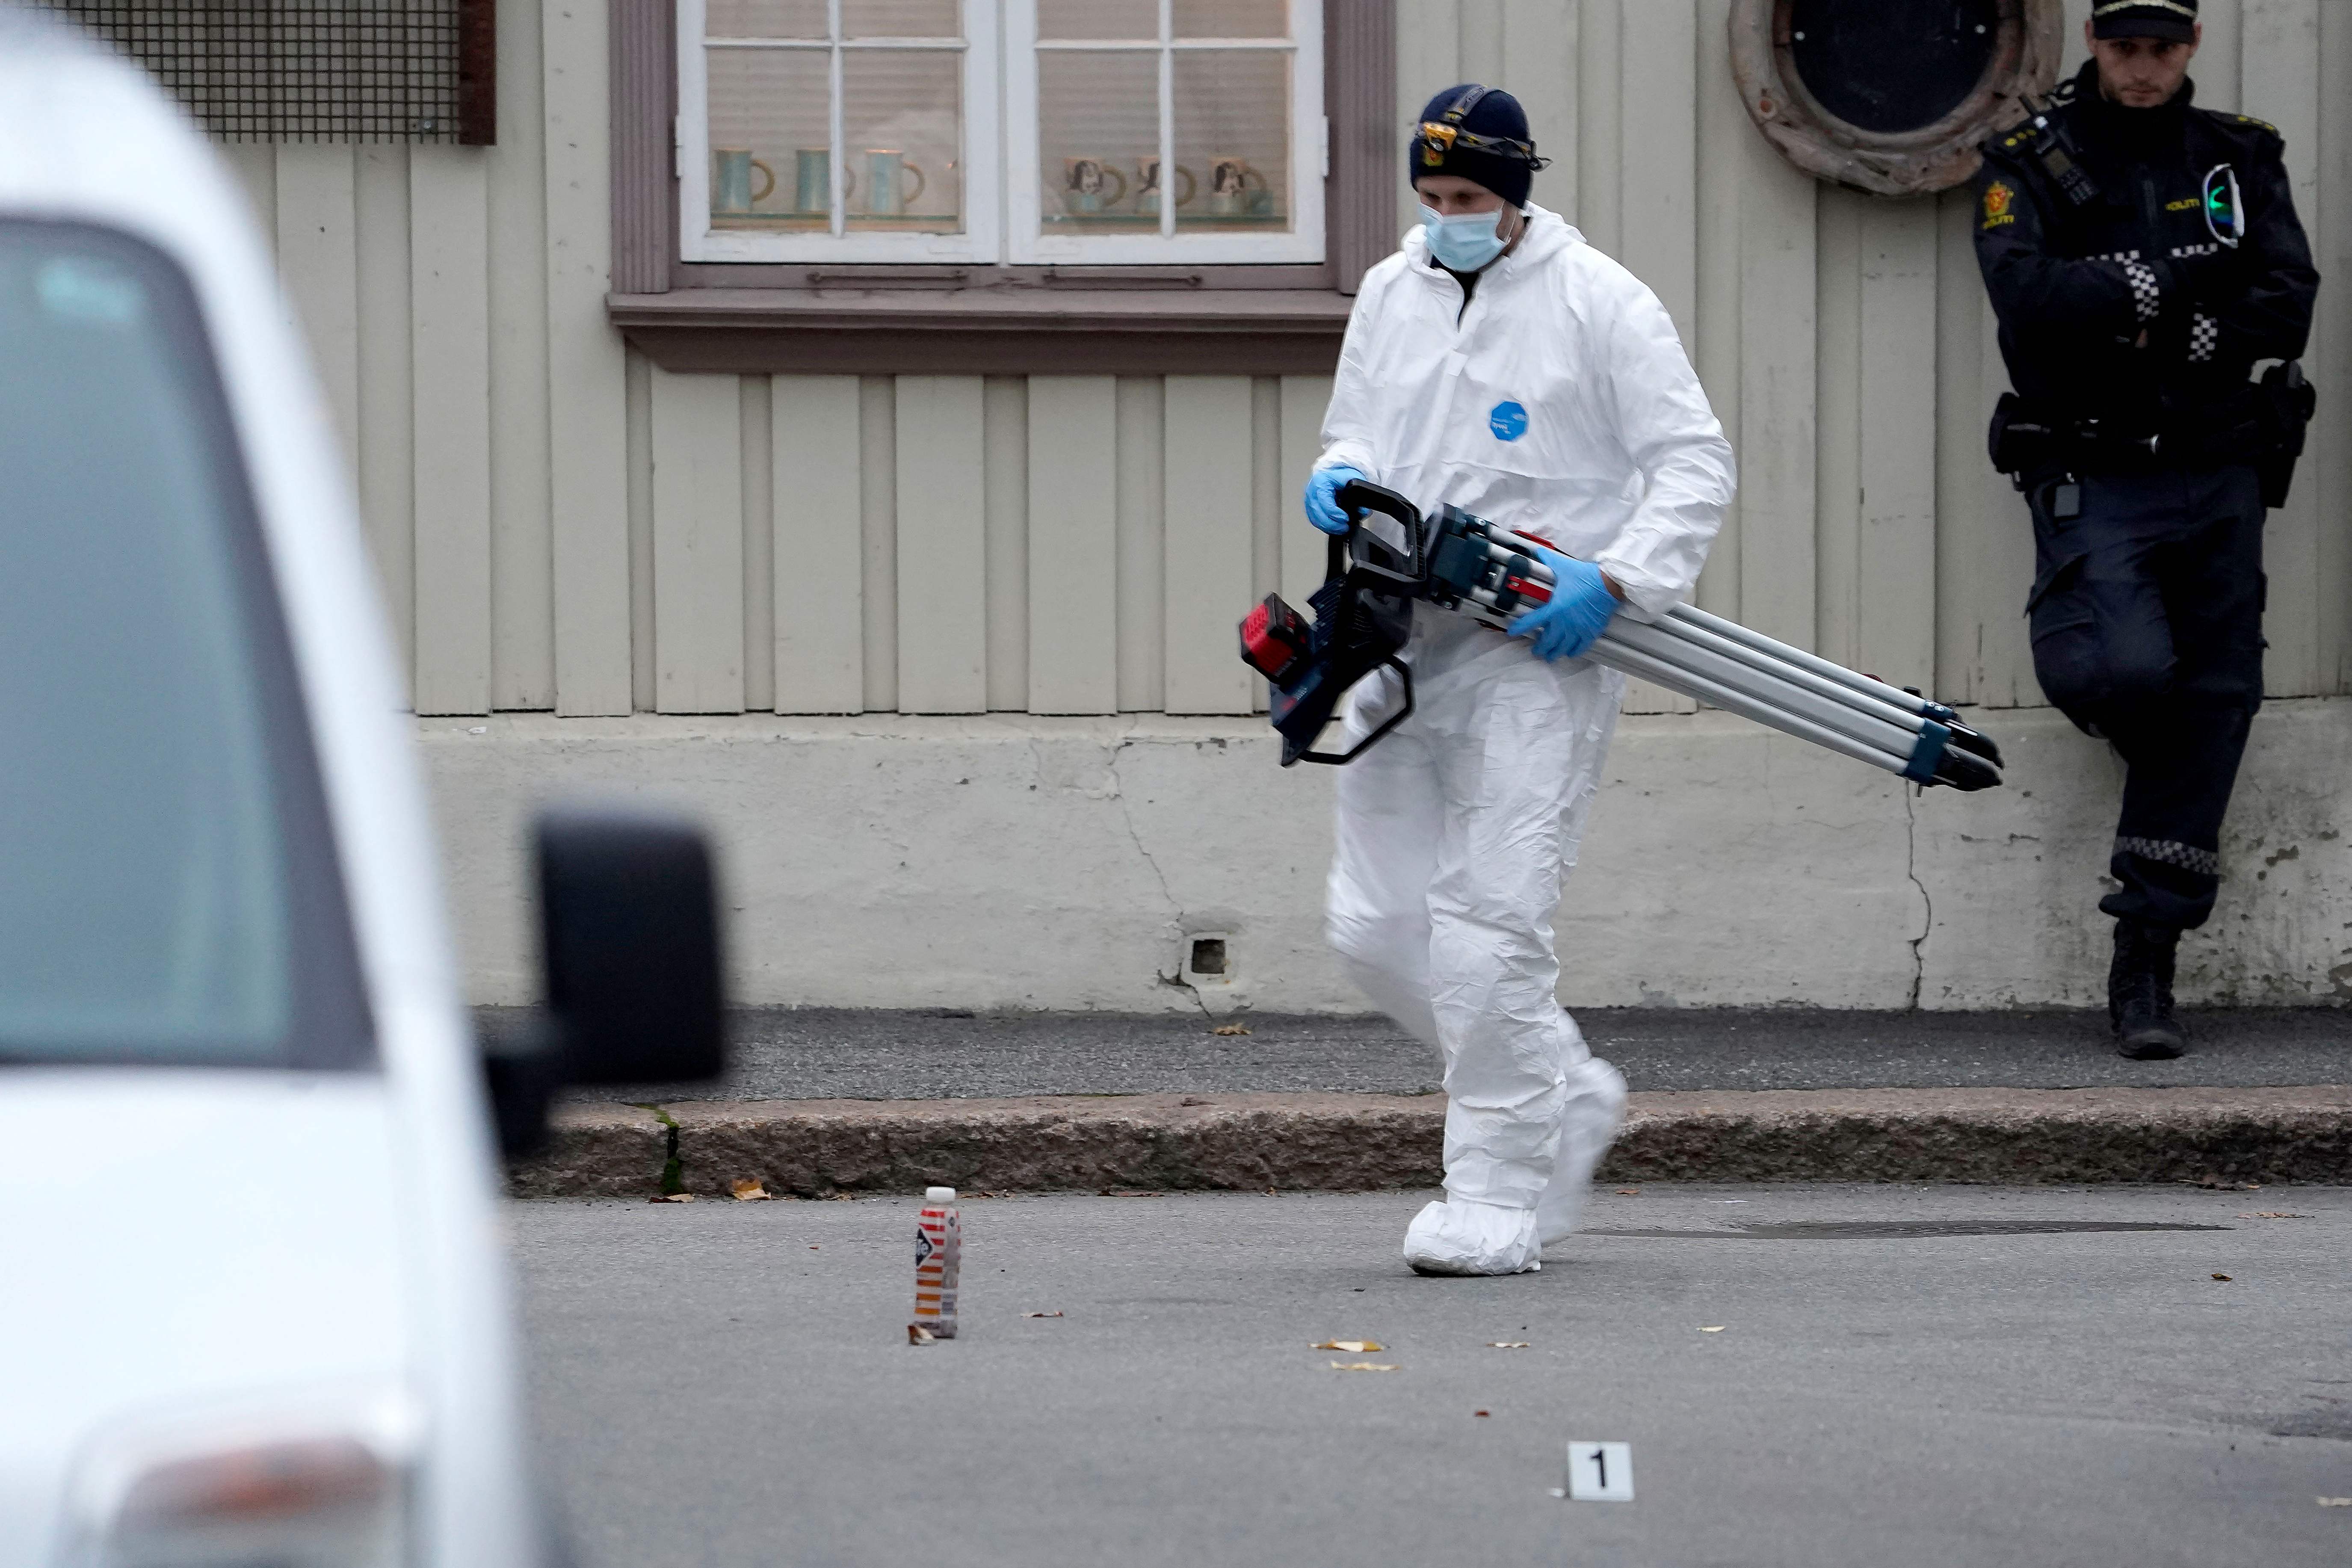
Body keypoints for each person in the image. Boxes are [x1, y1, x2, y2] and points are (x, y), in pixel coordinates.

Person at [1306, 85, 1735, 1275]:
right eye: (1432, 198)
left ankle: (1492, 1194)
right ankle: (1562, 1090)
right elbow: (1358, 429)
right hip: (1398, 633)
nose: (1446, 218)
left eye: (1469, 201)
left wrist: (1621, 578)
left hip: (1536, 653)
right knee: (1374, 924)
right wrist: (1338, 476)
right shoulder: (1392, 293)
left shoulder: (1601, 303)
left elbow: (1692, 461)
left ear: (1516, 195)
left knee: (1489, 922)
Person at [1971, 0, 2319, 1059]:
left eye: (2160, 49)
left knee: (2216, 692)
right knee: (2120, 676)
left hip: (2216, 465)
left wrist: (2130, 310)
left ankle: (2144, 962)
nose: (2140, 67)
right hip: (2095, 464)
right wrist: (2178, 291)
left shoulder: (2235, 156)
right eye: (2122, 47)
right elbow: (2025, 295)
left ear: (2189, 49)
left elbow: (2285, 303)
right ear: (2092, 45)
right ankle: (2168, 787)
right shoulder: (2033, 160)